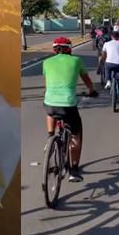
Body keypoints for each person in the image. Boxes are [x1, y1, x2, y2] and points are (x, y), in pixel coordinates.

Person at [41, 37, 98, 182]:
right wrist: (91, 91)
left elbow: (47, 84)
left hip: (50, 101)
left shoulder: (46, 63)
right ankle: (73, 170)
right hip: (68, 104)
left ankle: (50, 137)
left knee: (50, 109)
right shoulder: (76, 61)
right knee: (76, 136)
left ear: (54, 49)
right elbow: (86, 80)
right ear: (69, 49)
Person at [97, 29, 119, 98]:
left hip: (109, 63)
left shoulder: (106, 44)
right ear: (118, 36)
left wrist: (103, 60)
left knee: (107, 68)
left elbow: (103, 54)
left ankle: (108, 81)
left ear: (111, 36)